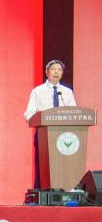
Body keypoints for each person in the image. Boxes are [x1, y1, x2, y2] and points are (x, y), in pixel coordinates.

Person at [25, 60, 76, 188]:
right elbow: (29, 114)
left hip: (64, 134)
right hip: (44, 134)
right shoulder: (37, 91)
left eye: (59, 70)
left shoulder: (67, 92)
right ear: (47, 72)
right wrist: (40, 119)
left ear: (62, 73)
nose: (56, 72)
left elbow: (74, 113)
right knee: (43, 165)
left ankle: (64, 189)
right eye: (53, 69)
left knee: (63, 164)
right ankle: (41, 191)